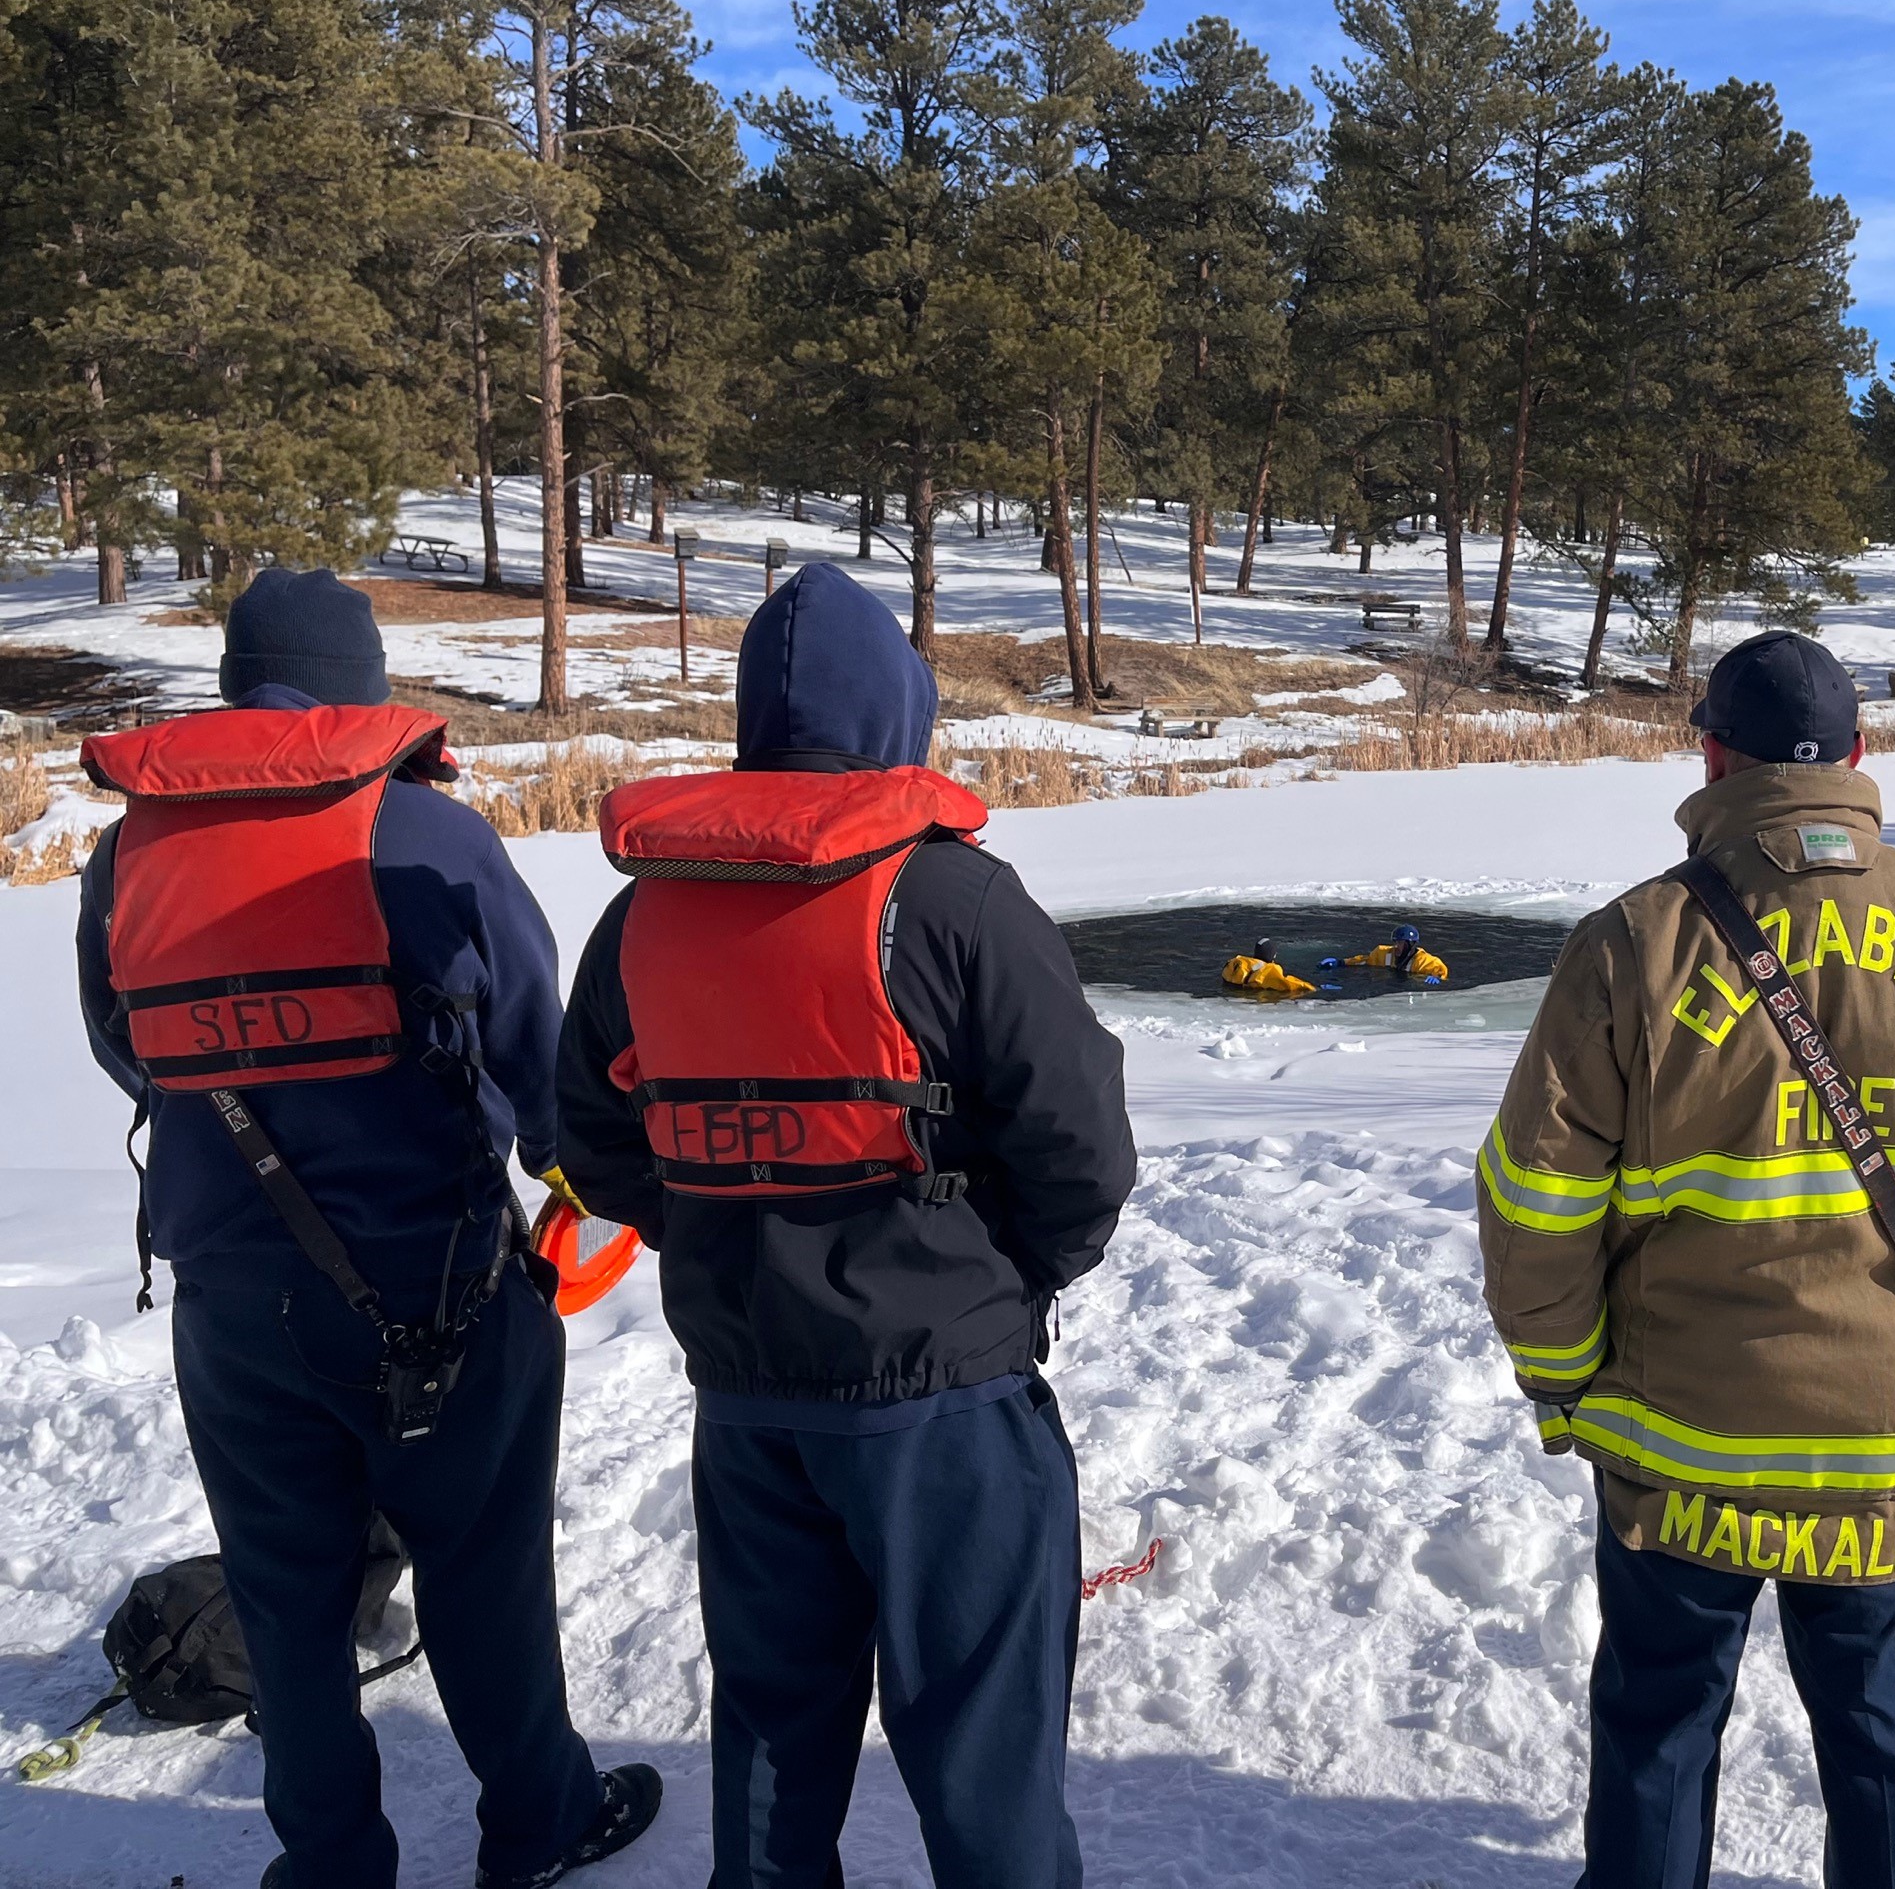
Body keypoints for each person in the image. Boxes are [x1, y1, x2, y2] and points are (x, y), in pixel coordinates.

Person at [1476, 629, 1895, 1889]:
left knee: (1657, 1735)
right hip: (1879, 1447)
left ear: (1711, 752)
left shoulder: (1630, 946)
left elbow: (1534, 1205)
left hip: (1675, 1443)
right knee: (1880, 1748)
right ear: (1861, 757)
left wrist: (1563, 1382)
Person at [555, 562, 1136, 1889]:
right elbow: (1082, 1149)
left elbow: (589, 1135)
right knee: (983, 1750)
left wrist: (714, 1223)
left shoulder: (644, 915)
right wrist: (1012, 1274)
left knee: (772, 1734)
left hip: (751, 1397)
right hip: (942, 1398)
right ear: (901, 721)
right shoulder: (958, 901)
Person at [74, 568, 658, 1889]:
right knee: (481, 1567)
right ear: (360, 686)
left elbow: (133, 1051)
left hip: (230, 1294)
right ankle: (538, 1821)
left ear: (237, 686)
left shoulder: (127, 856)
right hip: (440, 1282)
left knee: (285, 1588)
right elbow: (535, 1056)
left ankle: (332, 1860)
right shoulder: (427, 838)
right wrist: (576, 1173)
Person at [1335, 924, 1449, 981]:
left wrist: (1437, 977)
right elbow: (1365, 960)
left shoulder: (1424, 961)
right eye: (1395, 942)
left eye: (1400, 943)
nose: (1395, 946)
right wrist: (1341, 962)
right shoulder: (1383, 953)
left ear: (1410, 945)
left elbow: (1439, 969)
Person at [1222, 937, 1318, 997]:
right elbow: (1289, 984)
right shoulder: (1268, 970)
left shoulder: (1237, 963)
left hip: (1231, 993)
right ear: (1273, 955)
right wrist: (1315, 988)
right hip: (1252, 997)